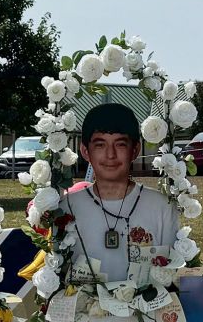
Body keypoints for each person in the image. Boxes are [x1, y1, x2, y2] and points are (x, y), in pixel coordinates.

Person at [61, 103, 177, 284]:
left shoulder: (162, 206)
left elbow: (172, 273)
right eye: (100, 145)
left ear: (135, 150)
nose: (110, 155)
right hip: (83, 311)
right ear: (85, 151)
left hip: (145, 311)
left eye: (120, 144)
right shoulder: (67, 207)